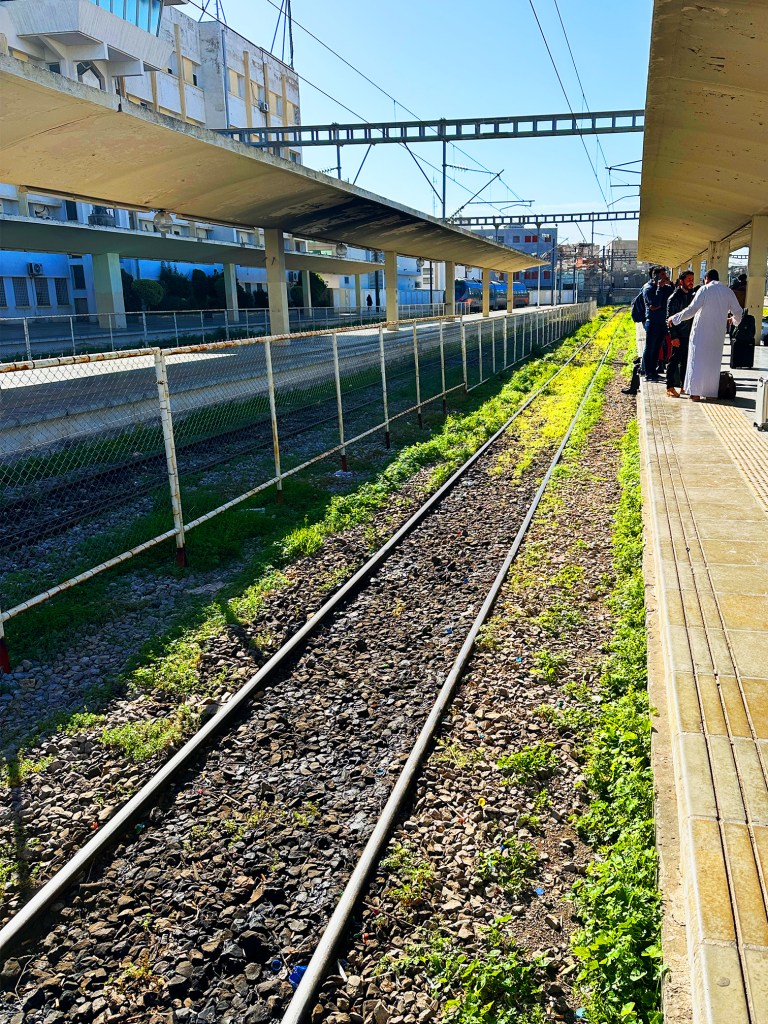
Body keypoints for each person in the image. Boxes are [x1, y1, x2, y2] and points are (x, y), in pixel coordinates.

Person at [667, 269, 742, 400]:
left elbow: (692, 310)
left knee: (696, 362)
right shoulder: (728, 291)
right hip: (717, 335)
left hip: (700, 333)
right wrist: (734, 321)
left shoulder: (704, 289)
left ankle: (695, 394)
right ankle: (709, 393)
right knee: (712, 364)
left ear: (706, 279)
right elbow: (738, 312)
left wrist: (674, 318)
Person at [665, 270, 695, 397]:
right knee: (674, 360)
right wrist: (673, 336)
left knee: (685, 361)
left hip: (688, 334)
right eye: (688, 280)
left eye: (692, 280)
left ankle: (683, 386)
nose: (691, 282)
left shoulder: (691, 296)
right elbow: (669, 318)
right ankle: (669, 386)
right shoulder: (674, 298)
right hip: (679, 334)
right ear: (681, 281)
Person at [642, 267, 674, 382]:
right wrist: (659, 288)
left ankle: (654, 371)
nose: (664, 277)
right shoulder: (648, 288)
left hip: (662, 322)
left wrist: (671, 284)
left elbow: (672, 296)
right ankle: (647, 372)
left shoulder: (665, 288)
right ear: (655, 276)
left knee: (656, 349)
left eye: (665, 275)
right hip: (652, 322)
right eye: (662, 275)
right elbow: (655, 303)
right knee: (650, 348)